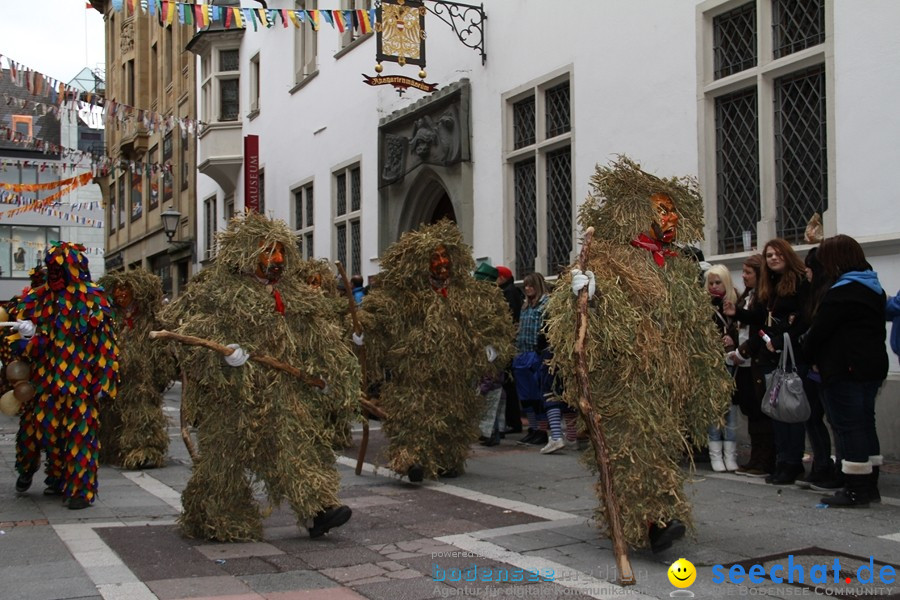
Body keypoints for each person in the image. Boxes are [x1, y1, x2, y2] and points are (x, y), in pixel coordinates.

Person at [546, 156, 732, 553]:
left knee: (657, 450)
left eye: (673, 211)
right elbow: (574, 322)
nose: (671, 218)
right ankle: (654, 520)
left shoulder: (680, 267)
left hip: (664, 383)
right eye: (661, 211)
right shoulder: (609, 260)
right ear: (637, 215)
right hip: (623, 381)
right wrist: (584, 293)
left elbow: (694, 325)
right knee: (633, 452)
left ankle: (648, 518)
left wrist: (704, 376)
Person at [160, 213, 360, 541]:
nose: (278, 259)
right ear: (247, 255)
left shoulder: (293, 295)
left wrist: (329, 376)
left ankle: (316, 510)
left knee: (294, 450)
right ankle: (213, 512)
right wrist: (225, 354)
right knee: (225, 462)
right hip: (234, 401)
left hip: (281, 398)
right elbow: (187, 334)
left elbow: (318, 339)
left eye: (281, 252)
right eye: (269, 252)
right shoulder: (218, 293)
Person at [358, 220, 515, 481]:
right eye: (435, 257)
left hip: (455, 379)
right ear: (421, 263)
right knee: (413, 420)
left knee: (453, 421)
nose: (442, 262)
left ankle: (447, 459)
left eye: (445, 256)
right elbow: (378, 318)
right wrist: (362, 331)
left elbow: (494, 324)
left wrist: (491, 350)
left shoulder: (468, 294)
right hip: (415, 379)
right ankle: (410, 461)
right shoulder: (405, 297)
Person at [9, 242, 119, 509]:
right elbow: (12, 338)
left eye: (59, 268)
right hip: (43, 384)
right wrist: (25, 338)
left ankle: (80, 489)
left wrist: (104, 380)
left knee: (80, 435)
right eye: (51, 269)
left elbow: (106, 344)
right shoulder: (36, 299)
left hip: (79, 385)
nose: (54, 274)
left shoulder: (94, 299)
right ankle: (34, 470)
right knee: (34, 432)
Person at [803, 234, 888, 508]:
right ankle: (869, 483)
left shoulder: (841, 292)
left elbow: (819, 332)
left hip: (845, 369)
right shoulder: (872, 287)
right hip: (871, 367)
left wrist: (807, 352)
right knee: (865, 423)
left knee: (848, 428)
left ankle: (856, 487)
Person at [725, 238, 811, 486]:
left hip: (790, 354)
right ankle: (783, 461)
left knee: (790, 411)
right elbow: (761, 318)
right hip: (770, 354)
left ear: (787, 254)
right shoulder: (770, 284)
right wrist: (737, 313)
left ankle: (792, 463)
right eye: (769, 255)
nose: (773, 258)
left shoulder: (799, 281)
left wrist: (781, 338)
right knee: (778, 411)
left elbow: (801, 318)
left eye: (777, 254)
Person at [97, 269, 177, 469]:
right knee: (111, 415)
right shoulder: (109, 318)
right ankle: (113, 449)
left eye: (125, 290)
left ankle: (144, 450)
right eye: (116, 290)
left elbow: (162, 350)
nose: (120, 294)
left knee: (141, 414)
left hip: (140, 381)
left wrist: (161, 373)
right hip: (113, 379)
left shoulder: (150, 320)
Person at [796, 247, 839, 492]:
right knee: (812, 417)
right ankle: (821, 464)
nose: (807, 272)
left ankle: (838, 468)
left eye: (810, 268)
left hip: (825, 366)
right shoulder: (810, 292)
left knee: (835, 420)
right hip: (813, 365)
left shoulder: (830, 294)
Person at [729, 255, 776, 478]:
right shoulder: (747, 296)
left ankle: (765, 459)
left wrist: (743, 350)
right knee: (751, 409)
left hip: (757, 361)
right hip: (745, 364)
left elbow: (759, 327)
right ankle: (755, 458)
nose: (744, 276)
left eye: (748, 272)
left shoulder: (764, 298)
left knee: (761, 412)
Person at [704, 264, 740, 472]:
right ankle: (715, 454)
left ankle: (730, 454)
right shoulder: (703, 306)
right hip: (711, 362)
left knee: (731, 408)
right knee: (714, 408)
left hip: (733, 361)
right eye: (711, 283)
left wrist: (733, 339)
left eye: (718, 282)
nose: (715, 287)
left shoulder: (737, 301)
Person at [513, 272, 551, 449]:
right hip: (522, 353)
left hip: (535, 354)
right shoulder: (526, 306)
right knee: (526, 397)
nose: (528, 289)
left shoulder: (545, 304)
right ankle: (533, 427)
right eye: (526, 286)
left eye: (531, 286)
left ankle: (542, 431)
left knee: (538, 396)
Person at [496, 265, 524, 434]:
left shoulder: (509, 293)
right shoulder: (506, 291)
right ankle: (510, 420)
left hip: (508, 343)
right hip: (506, 342)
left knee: (508, 383)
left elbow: (510, 317)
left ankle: (513, 421)